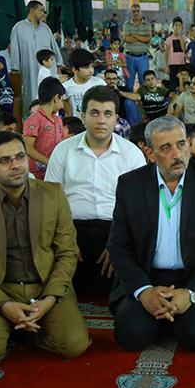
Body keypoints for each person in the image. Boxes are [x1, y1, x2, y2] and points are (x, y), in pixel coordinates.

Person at [0, 131, 91, 369]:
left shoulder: (53, 195)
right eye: (4, 160)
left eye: (20, 157)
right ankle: (15, 324)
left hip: (45, 286)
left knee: (75, 345)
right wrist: (2, 305)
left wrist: (50, 299)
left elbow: (68, 252)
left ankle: (19, 330)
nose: (16, 165)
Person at [107, 116, 195, 352]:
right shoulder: (130, 185)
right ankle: (160, 314)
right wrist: (144, 292)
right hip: (147, 276)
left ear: (188, 144)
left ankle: (174, 316)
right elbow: (119, 246)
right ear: (150, 154)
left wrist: (192, 292)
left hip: (193, 277)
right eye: (166, 148)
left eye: (181, 144)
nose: (177, 155)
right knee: (131, 336)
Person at [45, 86, 145, 293]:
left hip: (115, 229)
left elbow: (140, 207)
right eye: (94, 113)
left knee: (114, 288)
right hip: (71, 229)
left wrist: (120, 243)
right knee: (68, 287)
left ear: (115, 119)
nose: (101, 120)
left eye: (107, 114)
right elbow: (50, 200)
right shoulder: (63, 151)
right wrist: (65, 241)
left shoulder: (131, 154)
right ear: (83, 117)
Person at [10, 1, 64, 114]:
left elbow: (54, 48)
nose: (43, 13)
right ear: (32, 10)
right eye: (41, 10)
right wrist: (16, 70)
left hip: (49, 71)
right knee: (31, 98)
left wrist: (59, 65)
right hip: (29, 71)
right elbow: (15, 51)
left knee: (51, 97)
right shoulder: (18, 28)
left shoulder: (45, 28)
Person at [24, 77, 65, 180]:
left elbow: (62, 143)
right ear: (56, 98)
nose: (62, 105)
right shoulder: (34, 119)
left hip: (54, 172)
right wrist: (49, 162)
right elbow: (27, 148)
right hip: (36, 175)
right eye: (62, 100)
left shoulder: (58, 120)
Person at [63, 49, 107, 116]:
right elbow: (65, 101)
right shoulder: (67, 86)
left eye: (92, 66)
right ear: (75, 70)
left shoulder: (100, 83)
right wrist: (71, 117)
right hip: (78, 121)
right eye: (86, 67)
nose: (91, 71)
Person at [122, 5, 152, 89]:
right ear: (131, 13)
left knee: (144, 83)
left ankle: (142, 98)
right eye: (134, 11)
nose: (136, 13)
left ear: (141, 12)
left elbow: (148, 39)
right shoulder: (127, 24)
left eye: (138, 11)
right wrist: (142, 38)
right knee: (128, 83)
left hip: (143, 58)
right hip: (129, 57)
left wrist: (134, 35)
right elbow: (127, 39)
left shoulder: (146, 25)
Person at [165, 17, 189, 90]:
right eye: (176, 25)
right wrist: (167, 66)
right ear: (173, 27)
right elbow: (166, 53)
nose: (178, 27)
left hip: (182, 64)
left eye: (179, 25)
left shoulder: (184, 38)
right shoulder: (169, 39)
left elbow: (183, 48)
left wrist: (180, 36)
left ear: (182, 27)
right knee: (173, 84)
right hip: (172, 64)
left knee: (182, 84)